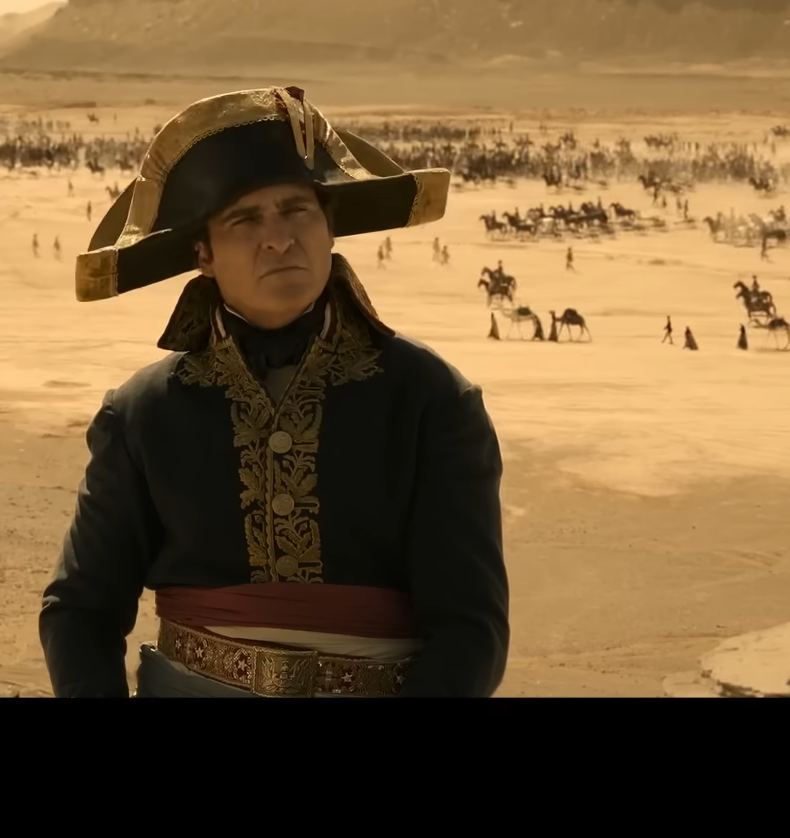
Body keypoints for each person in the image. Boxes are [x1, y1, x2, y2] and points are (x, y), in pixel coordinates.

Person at [40, 85, 509, 698]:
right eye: (245, 219)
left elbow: (471, 628)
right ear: (203, 253)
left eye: (297, 210)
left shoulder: (430, 399)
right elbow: (80, 610)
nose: (280, 238)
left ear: (330, 227)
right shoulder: (142, 413)